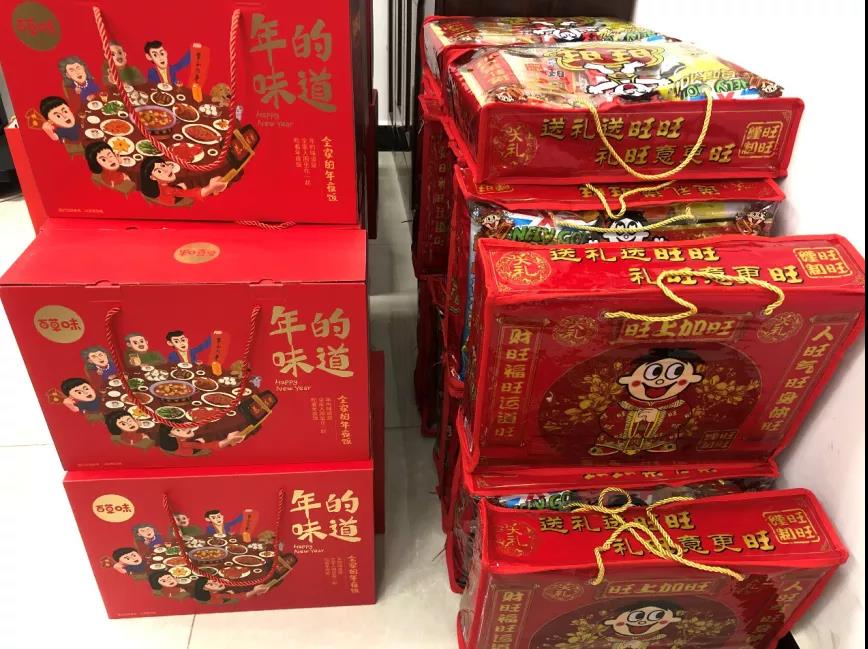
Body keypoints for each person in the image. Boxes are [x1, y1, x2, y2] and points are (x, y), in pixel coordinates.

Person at [591, 349, 704, 457]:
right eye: (653, 373)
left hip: (660, 443)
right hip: (615, 443)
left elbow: (681, 419)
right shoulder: (623, 405)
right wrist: (632, 417)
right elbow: (606, 420)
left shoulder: (678, 406)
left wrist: (659, 416)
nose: (660, 381)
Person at [139, 157, 228, 206]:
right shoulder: (169, 190)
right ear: (152, 177)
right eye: (159, 171)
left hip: (168, 195)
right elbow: (195, 193)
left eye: (163, 165)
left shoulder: (156, 185)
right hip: (174, 200)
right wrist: (210, 188)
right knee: (183, 186)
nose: (166, 170)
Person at [602, 601, 682, 648]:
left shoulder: (662, 639)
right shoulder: (609, 639)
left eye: (657, 616)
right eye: (637, 616)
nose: (643, 622)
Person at [158, 426, 244, 456]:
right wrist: (228, 440)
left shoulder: (182, 439)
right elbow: (212, 446)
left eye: (182, 426)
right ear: (171, 435)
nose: (184, 429)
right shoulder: (184, 446)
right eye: (178, 430)